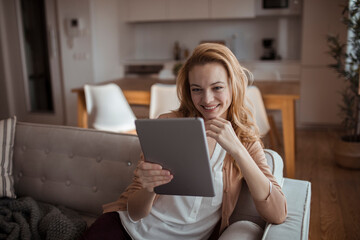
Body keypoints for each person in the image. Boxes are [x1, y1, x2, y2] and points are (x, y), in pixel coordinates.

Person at [80, 43, 287, 240]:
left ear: (233, 86)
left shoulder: (246, 142)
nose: (206, 99)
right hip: (126, 230)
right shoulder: (168, 125)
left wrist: (238, 150)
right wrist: (149, 188)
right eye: (197, 89)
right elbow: (134, 212)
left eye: (217, 87)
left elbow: (278, 214)